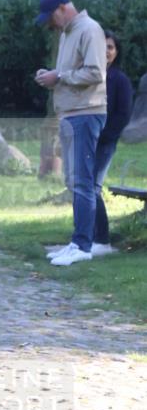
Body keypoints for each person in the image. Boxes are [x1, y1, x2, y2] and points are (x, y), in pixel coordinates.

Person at [34, 0, 106, 266]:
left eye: (50, 17)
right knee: (74, 181)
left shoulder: (90, 30)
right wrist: (51, 74)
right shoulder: (67, 33)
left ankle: (83, 246)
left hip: (86, 113)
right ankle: (78, 241)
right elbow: (70, 72)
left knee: (82, 182)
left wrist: (59, 76)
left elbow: (96, 72)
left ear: (63, 8)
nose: (50, 25)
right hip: (71, 114)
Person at [90, 31, 133, 254]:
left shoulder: (120, 80)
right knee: (81, 186)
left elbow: (123, 114)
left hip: (105, 141)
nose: (106, 51)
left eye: (111, 47)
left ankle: (102, 239)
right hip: (86, 139)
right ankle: (84, 236)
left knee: (93, 187)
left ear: (116, 52)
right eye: (103, 46)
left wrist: (106, 134)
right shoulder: (89, 75)